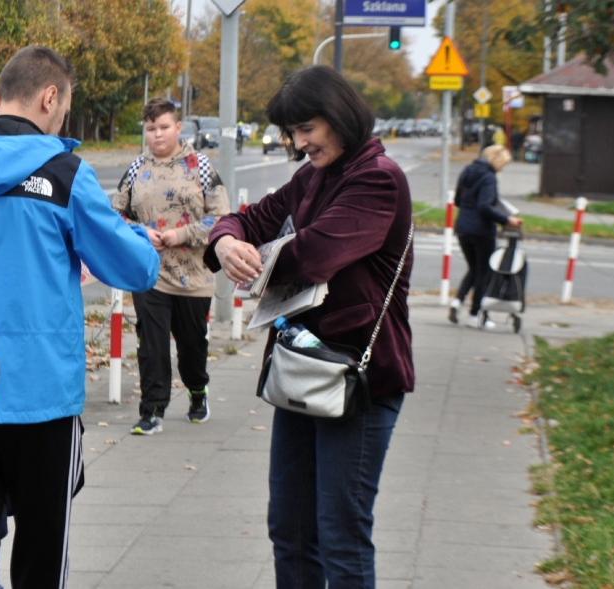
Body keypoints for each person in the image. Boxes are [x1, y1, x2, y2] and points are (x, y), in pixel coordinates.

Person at [0, 46, 159, 589]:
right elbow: (135, 268)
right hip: (40, 394)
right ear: (50, 98)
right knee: (42, 553)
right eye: (65, 109)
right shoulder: (63, 173)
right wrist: (137, 236)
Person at [204, 65, 414, 588]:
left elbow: (315, 254)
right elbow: (248, 218)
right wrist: (225, 242)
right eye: (292, 132)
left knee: (341, 535)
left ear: (339, 117)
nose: (299, 144)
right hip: (302, 368)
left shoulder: (379, 179)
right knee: (291, 530)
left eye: (307, 129)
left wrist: (253, 259)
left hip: (358, 380)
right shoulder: (312, 177)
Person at [113, 97, 230, 435]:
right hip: (150, 274)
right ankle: (152, 410)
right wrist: (141, 232)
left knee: (192, 346)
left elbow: (222, 218)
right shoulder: (136, 169)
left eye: (164, 127)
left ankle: (197, 390)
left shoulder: (201, 167)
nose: (158, 134)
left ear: (178, 128)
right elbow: (115, 215)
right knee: (152, 345)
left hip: (193, 276)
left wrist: (181, 234)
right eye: (151, 129)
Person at [448, 144, 523, 329]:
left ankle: (457, 301)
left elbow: (457, 200)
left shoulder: (467, 171)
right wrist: (507, 219)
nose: (501, 169)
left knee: (474, 268)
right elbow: (484, 207)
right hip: (482, 231)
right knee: (484, 273)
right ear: (496, 160)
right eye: (503, 164)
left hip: (463, 227)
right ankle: (475, 315)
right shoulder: (489, 177)